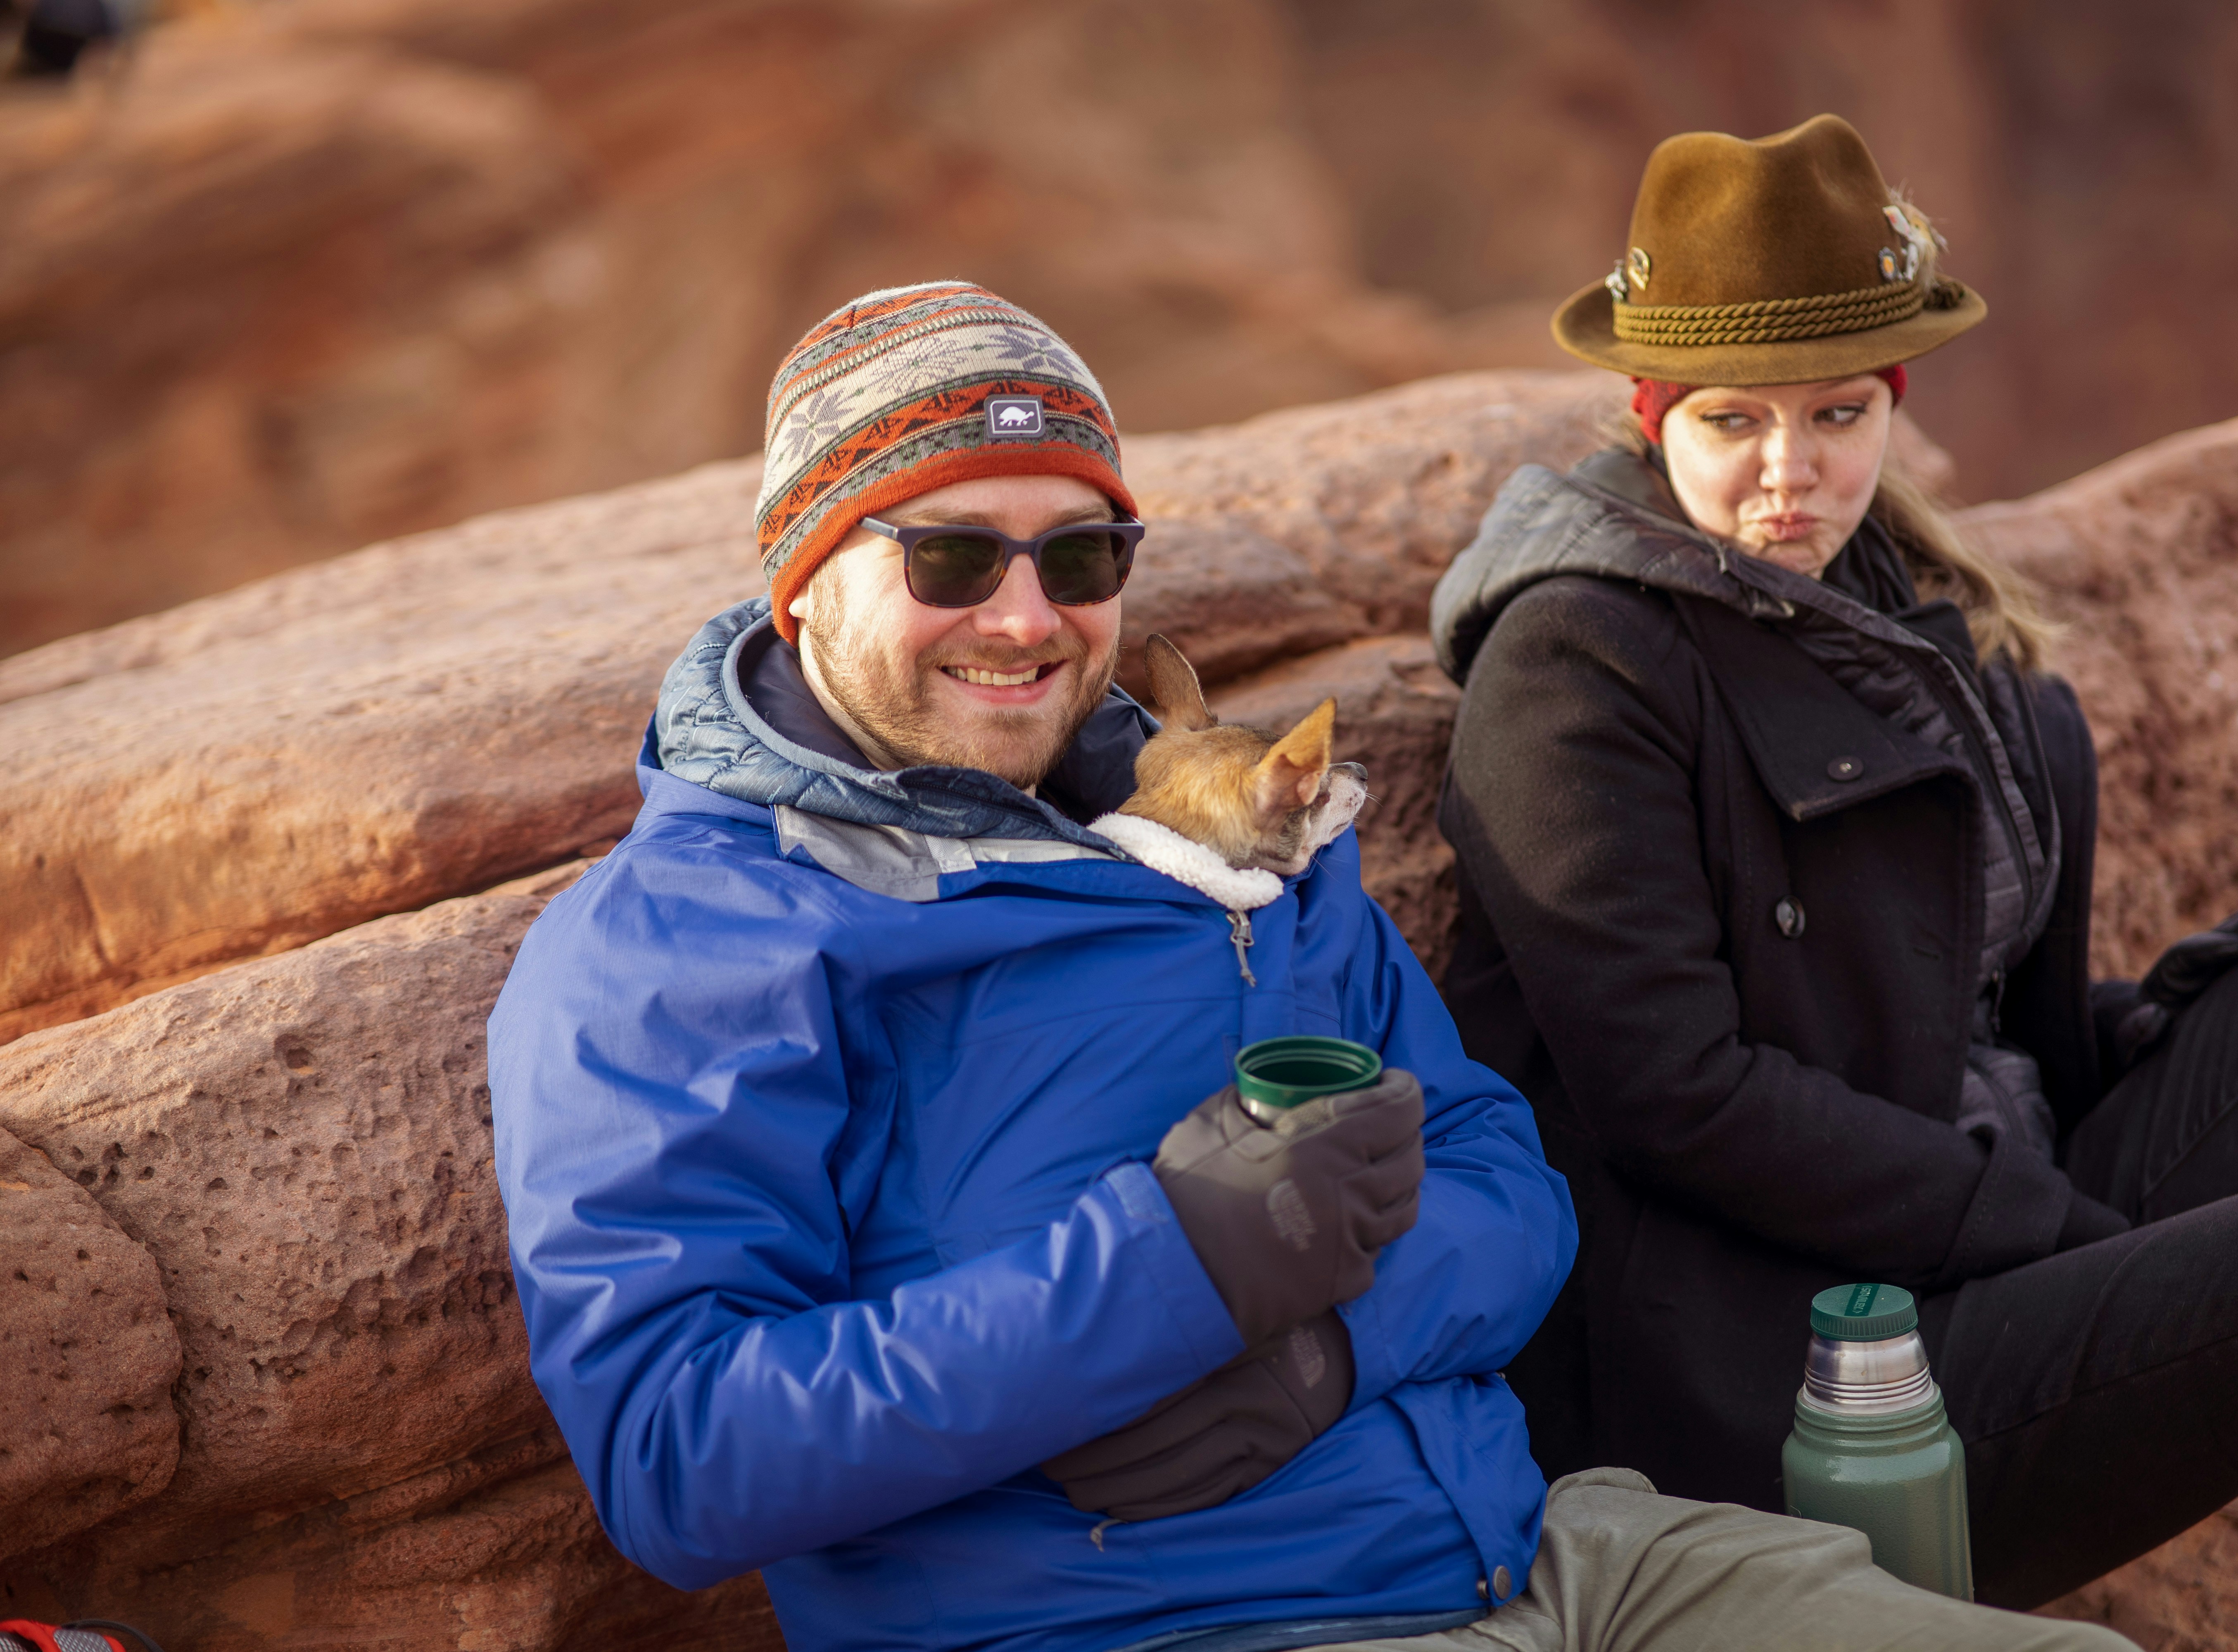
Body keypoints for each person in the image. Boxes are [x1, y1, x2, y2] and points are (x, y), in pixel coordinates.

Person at [488, 280, 2137, 1652]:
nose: (1024, 615)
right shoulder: (684, 945)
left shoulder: (1230, 830)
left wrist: (1340, 1347)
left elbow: (1506, 1176)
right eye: (947, 557)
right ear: (803, 576)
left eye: (1081, 558)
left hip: (1555, 1561)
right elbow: (677, 1454)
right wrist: (1173, 1265)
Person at [1429, 111, 2238, 1611]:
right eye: (1733, 421)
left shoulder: (1917, 615)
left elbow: (1950, 1006)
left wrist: (2145, 1030)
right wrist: (2050, 1224)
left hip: (1994, 1230)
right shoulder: (1575, 664)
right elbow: (1677, 1096)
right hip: (1811, 1383)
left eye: (1839, 417)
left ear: (1894, 399)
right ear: (1651, 411)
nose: (1790, 472)